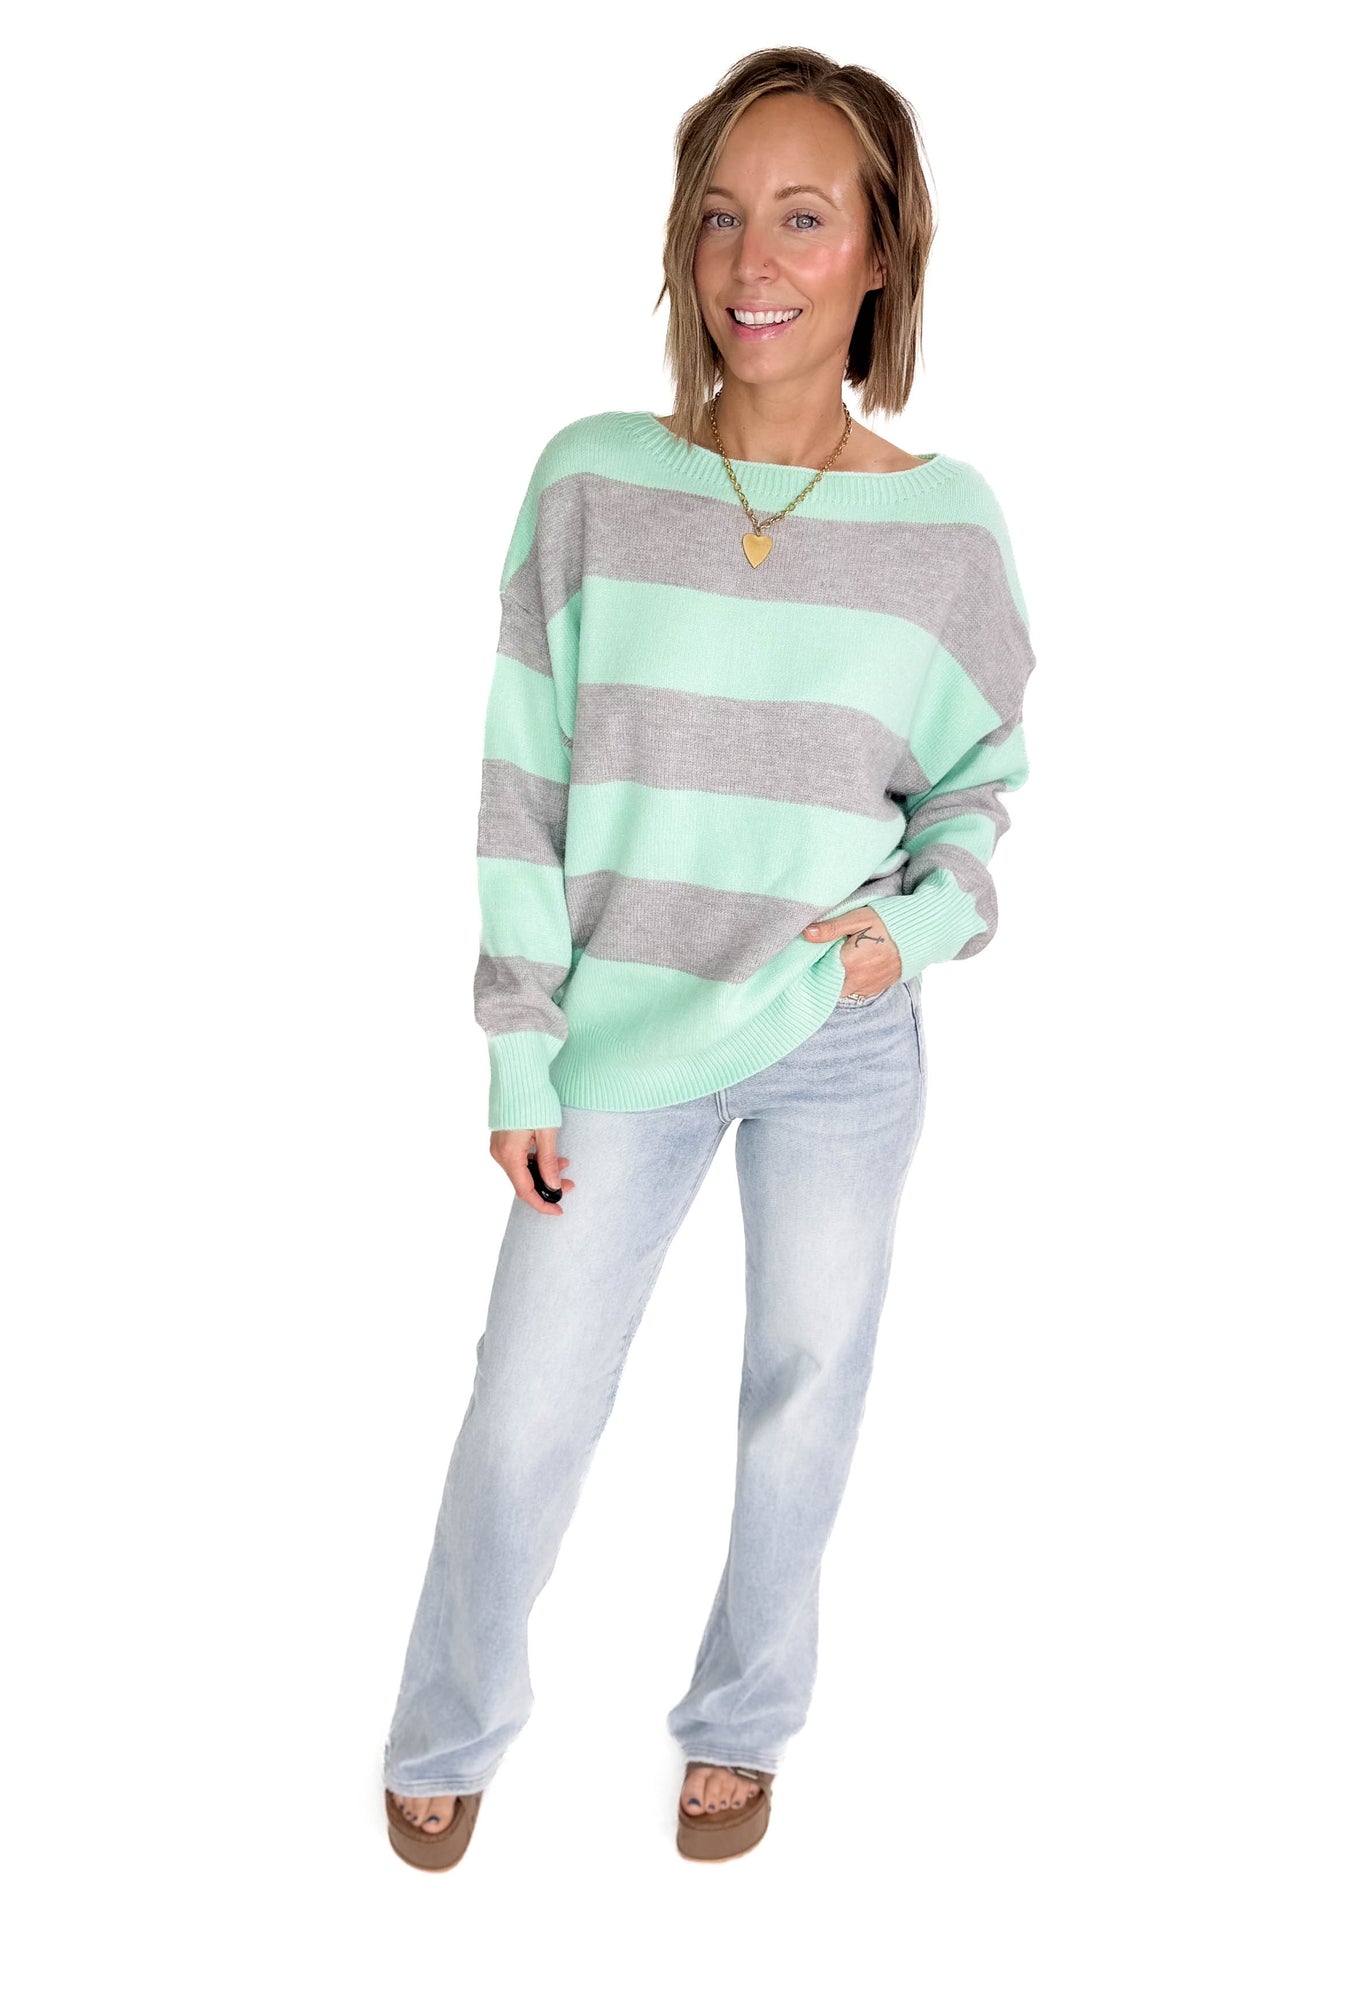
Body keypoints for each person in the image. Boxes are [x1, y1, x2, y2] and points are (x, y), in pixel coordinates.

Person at [383, 44, 1037, 1869]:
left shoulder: (947, 531)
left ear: (879, 253)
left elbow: (978, 798)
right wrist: (520, 1042)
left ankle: (743, 1722)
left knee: (804, 1393)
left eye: (805, 218)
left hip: (836, 1035)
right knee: (526, 1410)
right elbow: (520, 779)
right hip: (617, 1033)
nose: (756, 260)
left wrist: (900, 937)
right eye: (724, 216)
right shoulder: (594, 481)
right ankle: (447, 1723)